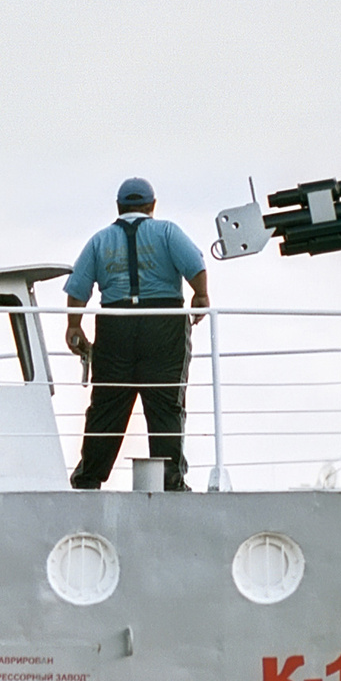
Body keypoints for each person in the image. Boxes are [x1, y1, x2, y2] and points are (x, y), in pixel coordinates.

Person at [64, 178, 211, 491]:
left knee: (107, 403)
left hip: (115, 324)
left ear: (119, 208)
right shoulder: (167, 231)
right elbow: (195, 264)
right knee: (166, 402)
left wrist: (74, 325)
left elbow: (78, 288)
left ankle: (88, 478)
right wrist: (201, 295)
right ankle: (170, 479)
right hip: (163, 321)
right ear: (151, 206)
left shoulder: (99, 240)